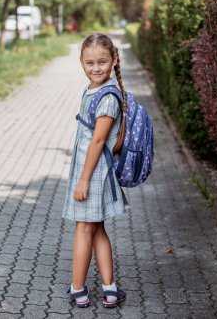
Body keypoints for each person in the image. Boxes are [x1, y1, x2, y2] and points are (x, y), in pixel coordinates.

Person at [62, 33, 128, 309]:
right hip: (91, 168)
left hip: (94, 171)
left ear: (114, 60)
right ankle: (110, 289)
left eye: (102, 61)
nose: (96, 68)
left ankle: (78, 289)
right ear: (81, 62)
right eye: (90, 62)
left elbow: (99, 141)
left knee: (84, 229)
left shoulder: (108, 97)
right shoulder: (93, 88)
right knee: (97, 227)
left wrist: (83, 181)